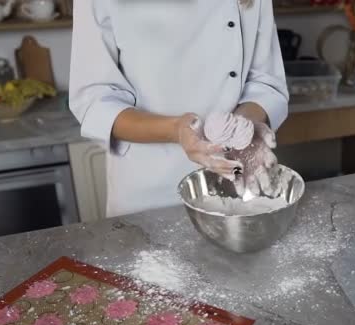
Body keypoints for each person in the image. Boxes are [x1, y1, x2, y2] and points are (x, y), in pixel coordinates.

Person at [69, 0, 289, 217]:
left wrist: (239, 127)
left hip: (235, 178)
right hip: (147, 194)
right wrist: (176, 129)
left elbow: (265, 82)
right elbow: (96, 100)